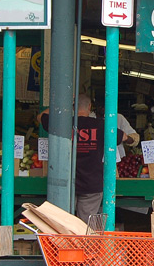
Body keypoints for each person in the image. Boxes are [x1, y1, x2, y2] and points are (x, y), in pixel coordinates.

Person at [39, 94, 126, 223]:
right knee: (86, 224)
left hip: (66, 183)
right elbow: (123, 137)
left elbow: (41, 117)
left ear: (73, 107)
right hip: (92, 184)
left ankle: (67, 243)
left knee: (64, 222)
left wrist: (63, 101)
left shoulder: (63, 124)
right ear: (90, 107)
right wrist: (131, 139)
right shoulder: (101, 125)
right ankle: (83, 243)